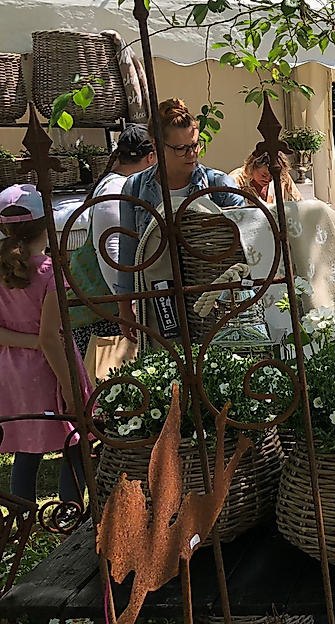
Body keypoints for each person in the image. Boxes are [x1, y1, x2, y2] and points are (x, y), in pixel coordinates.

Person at [115, 98, 245, 339]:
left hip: (213, 299)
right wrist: (124, 308)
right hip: (159, 300)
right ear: (156, 145)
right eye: (180, 148)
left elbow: (246, 242)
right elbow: (128, 252)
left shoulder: (218, 185)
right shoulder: (134, 188)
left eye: (195, 145)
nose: (191, 154)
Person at [0, 184, 92, 504]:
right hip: (51, 371)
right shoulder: (50, 272)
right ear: (46, 225)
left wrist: (30, 343)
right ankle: (69, 515)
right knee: (76, 442)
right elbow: (50, 337)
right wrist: (70, 388)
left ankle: (22, 518)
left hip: (12, 373)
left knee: (27, 449)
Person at [73, 126, 159, 354]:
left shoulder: (120, 184)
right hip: (103, 316)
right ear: (150, 158)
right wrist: (129, 305)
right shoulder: (116, 189)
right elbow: (112, 252)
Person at [229, 150, 303, 204]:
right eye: (263, 175)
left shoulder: (281, 176)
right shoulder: (235, 180)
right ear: (252, 168)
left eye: (272, 176)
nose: (268, 179)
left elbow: (299, 202)